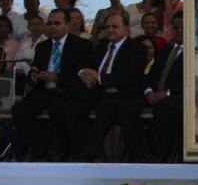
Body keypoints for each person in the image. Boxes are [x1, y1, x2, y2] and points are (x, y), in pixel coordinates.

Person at [10, 9, 92, 160]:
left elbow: (81, 75)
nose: (52, 27)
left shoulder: (82, 45)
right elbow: (35, 70)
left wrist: (58, 78)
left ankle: (61, 153)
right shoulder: (42, 46)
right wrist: (33, 76)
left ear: (67, 24)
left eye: (57, 23)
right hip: (44, 91)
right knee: (19, 110)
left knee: (58, 109)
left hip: (67, 91)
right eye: (49, 23)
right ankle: (39, 147)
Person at [64, 12, 146, 161]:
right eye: (107, 27)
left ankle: (93, 152)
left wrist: (100, 78)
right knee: (72, 107)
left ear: (126, 28)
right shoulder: (100, 46)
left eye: (115, 26)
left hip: (121, 93)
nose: (110, 30)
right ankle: (76, 152)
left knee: (107, 106)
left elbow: (132, 77)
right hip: (95, 91)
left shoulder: (137, 49)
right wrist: (84, 73)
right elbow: (85, 64)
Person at [141, 12, 184, 162]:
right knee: (125, 105)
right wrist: (148, 91)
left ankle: (169, 154)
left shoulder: (195, 53)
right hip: (154, 97)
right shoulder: (165, 51)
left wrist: (168, 93)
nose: (179, 30)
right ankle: (142, 154)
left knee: (166, 106)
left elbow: (190, 82)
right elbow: (149, 76)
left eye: (183, 27)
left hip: (179, 97)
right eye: (176, 27)